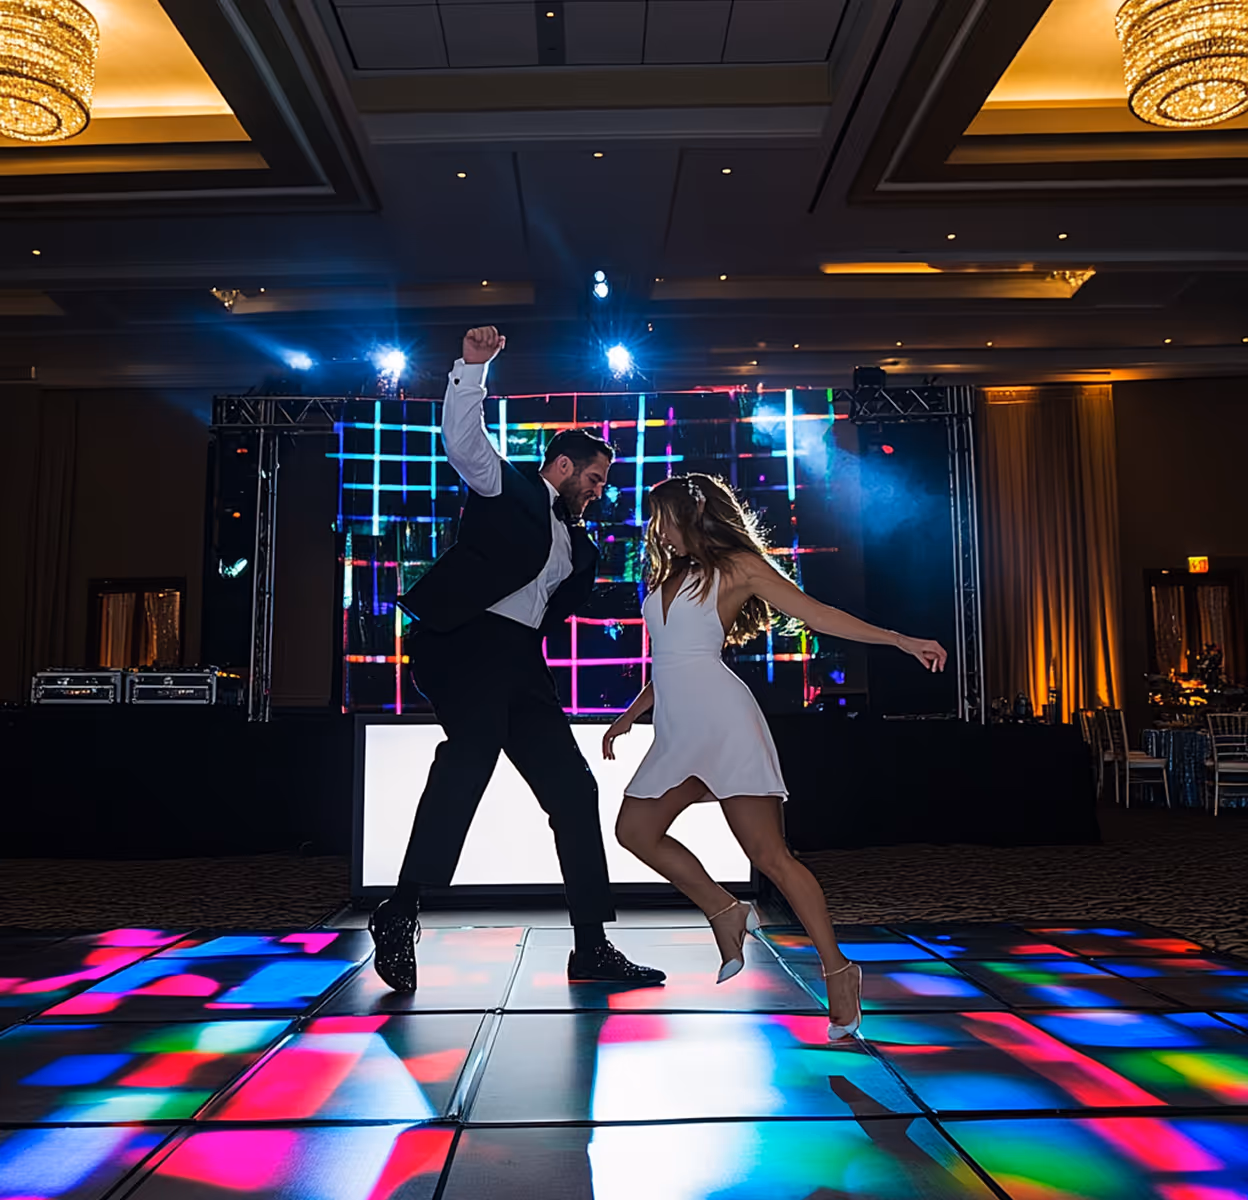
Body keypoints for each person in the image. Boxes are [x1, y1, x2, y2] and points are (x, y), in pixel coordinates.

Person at [369, 326, 664, 991]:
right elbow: (465, 443)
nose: (596, 491)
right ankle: (401, 910)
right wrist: (471, 369)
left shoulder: (580, 547)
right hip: (465, 643)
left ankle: (591, 947)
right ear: (561, 466)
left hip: (521, 663)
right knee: (472, 753)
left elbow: (590, 605)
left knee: (574, 788)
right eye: (591, 479)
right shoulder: (511, 491)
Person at [603, 473, 946, 1039]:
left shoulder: (738, 566)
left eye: (662, 516)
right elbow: (670, 660)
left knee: (771, 855)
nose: (655, 529)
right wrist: (629, 715)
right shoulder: (671, 576)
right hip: (677, 727)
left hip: (723, 722)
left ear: (689, 515)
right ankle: (724, 908)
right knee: (635, 830)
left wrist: (901, 640)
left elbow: (818, 615)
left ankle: (839, 971)